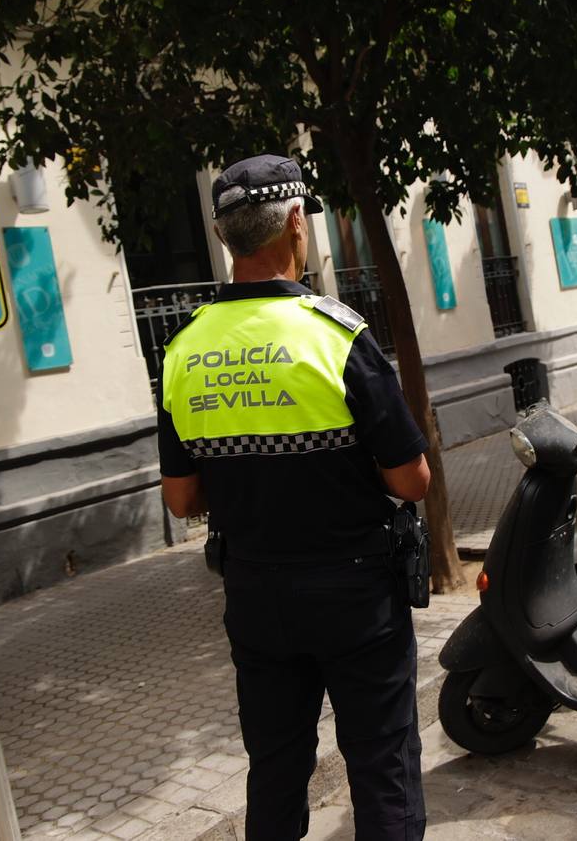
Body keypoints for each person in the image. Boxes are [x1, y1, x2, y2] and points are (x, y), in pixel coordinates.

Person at [157, 154, 430, 840]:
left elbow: (181, 500)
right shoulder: (337, 335)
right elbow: (411, 481)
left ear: (225, 238)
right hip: (356, 591)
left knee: (274, 769)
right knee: (381, 765)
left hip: (254, 594)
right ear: (297, 226)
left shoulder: (184, 350)